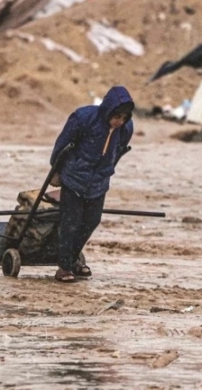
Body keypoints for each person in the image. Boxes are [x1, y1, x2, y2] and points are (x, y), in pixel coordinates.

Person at [49, 86, 134, 283]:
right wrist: (56, 170)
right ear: (108, 110)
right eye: (117, 116)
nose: (119, 121)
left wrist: (106, 171)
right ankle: (64, 268)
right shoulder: (84, 119)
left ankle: (73, 259)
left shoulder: (125, 129)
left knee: (91, 221)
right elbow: (62, 144)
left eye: (124, 118)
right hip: (74, 178)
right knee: (70, 223)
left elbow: (118, 151)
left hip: (99, 183)